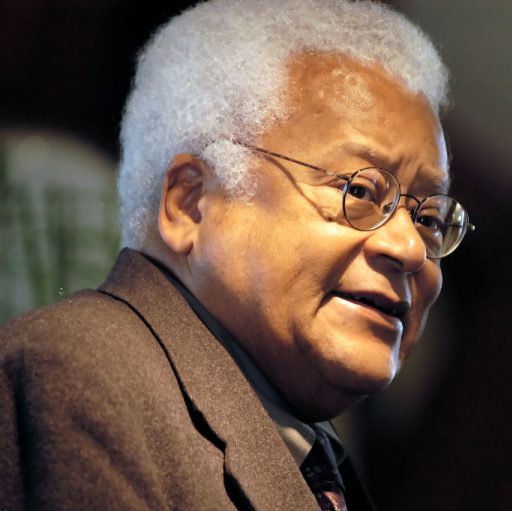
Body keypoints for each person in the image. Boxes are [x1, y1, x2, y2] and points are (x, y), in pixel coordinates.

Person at [0, 0, 473, 509]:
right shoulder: (84, 378)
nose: (408, 248)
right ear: (191, 203)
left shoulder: (316, 465)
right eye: (359, 192)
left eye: (427, 219)